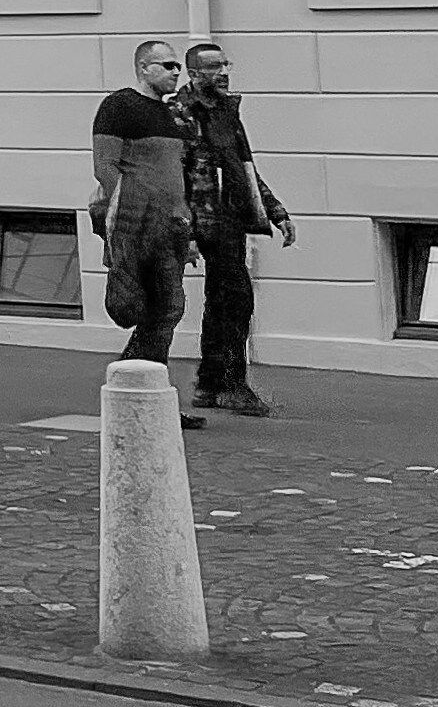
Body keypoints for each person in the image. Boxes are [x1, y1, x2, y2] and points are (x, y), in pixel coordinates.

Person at [175, 40, 290, 420]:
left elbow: (244, 167)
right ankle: (230, 385)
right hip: (200, 218)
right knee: (235, 299)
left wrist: (275, 211)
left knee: (225, 301)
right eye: (213, 67)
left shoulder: (226, 111)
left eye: (225, 65)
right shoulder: (180, 113)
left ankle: (212, 383)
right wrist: (187, 231)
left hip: (228, 216)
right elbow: (175, 176)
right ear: (194, 74)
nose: (223, 73)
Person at [92, 39, 200, 427]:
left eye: (177, 67)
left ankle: (138, 387)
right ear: (143, 67)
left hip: (169, 226)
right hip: (138, 226)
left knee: (165, 308)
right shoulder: (119, 106)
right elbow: (105, 167)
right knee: (154, 307)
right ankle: (138, 389)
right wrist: (125, 226)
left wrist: (185, 230)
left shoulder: (169, 116)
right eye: (168, 65)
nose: (176, 72)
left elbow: (175, 179)